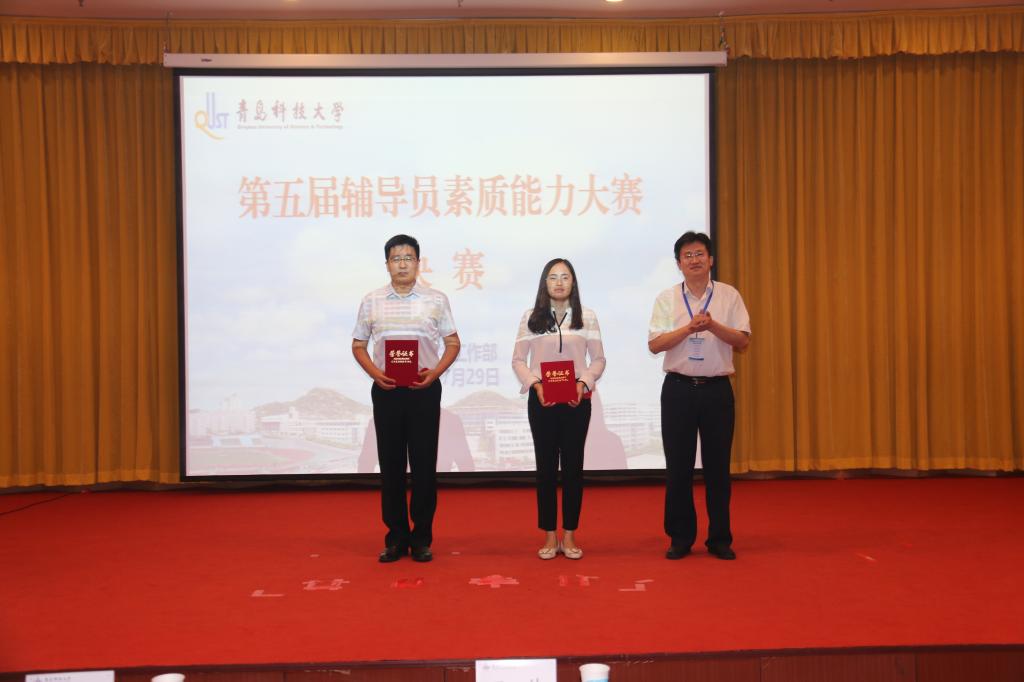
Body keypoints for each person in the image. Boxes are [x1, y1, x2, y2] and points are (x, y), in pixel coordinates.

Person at [352, 234, 460, 563]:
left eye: (408, 258)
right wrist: (375, 373)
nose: (402, 264)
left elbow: (453, 342)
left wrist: (435, 373)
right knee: (391, 466)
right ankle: (396, 538)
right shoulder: (371, 300)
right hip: (386, 392)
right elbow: (358, 345)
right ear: (387, 264)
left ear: (418, 263)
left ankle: (422, 538)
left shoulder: (436, 299)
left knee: (424, 466)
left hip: (424, 390)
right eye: (396, 258)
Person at [648, 232, 750, 561]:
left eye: (699, 254)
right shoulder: (667, 299)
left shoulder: (728, 296)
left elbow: (742, 340)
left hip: (717, 390)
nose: (694, 260)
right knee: (678, 467)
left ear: (711, 260)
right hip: (678, 390)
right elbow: (655, 344)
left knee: (718, 468)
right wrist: (689, 329)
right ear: (679, 263)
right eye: (687, 255)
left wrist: (712, 325)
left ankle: (719, 538)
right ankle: (680, 538)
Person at [512, 258, 606, 560]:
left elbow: (598, 359)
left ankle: (570, 534)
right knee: (546, 469)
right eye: (553, 277)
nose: (559, 282)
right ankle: (550, 535)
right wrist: (535, 384)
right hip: (542, 401)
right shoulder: (530, 317)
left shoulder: (587, 316)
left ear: (573, 282)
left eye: (565, 277)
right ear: (545, 283)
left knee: (573, 468)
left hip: (578, 400)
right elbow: (518, 360)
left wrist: (583, 382)